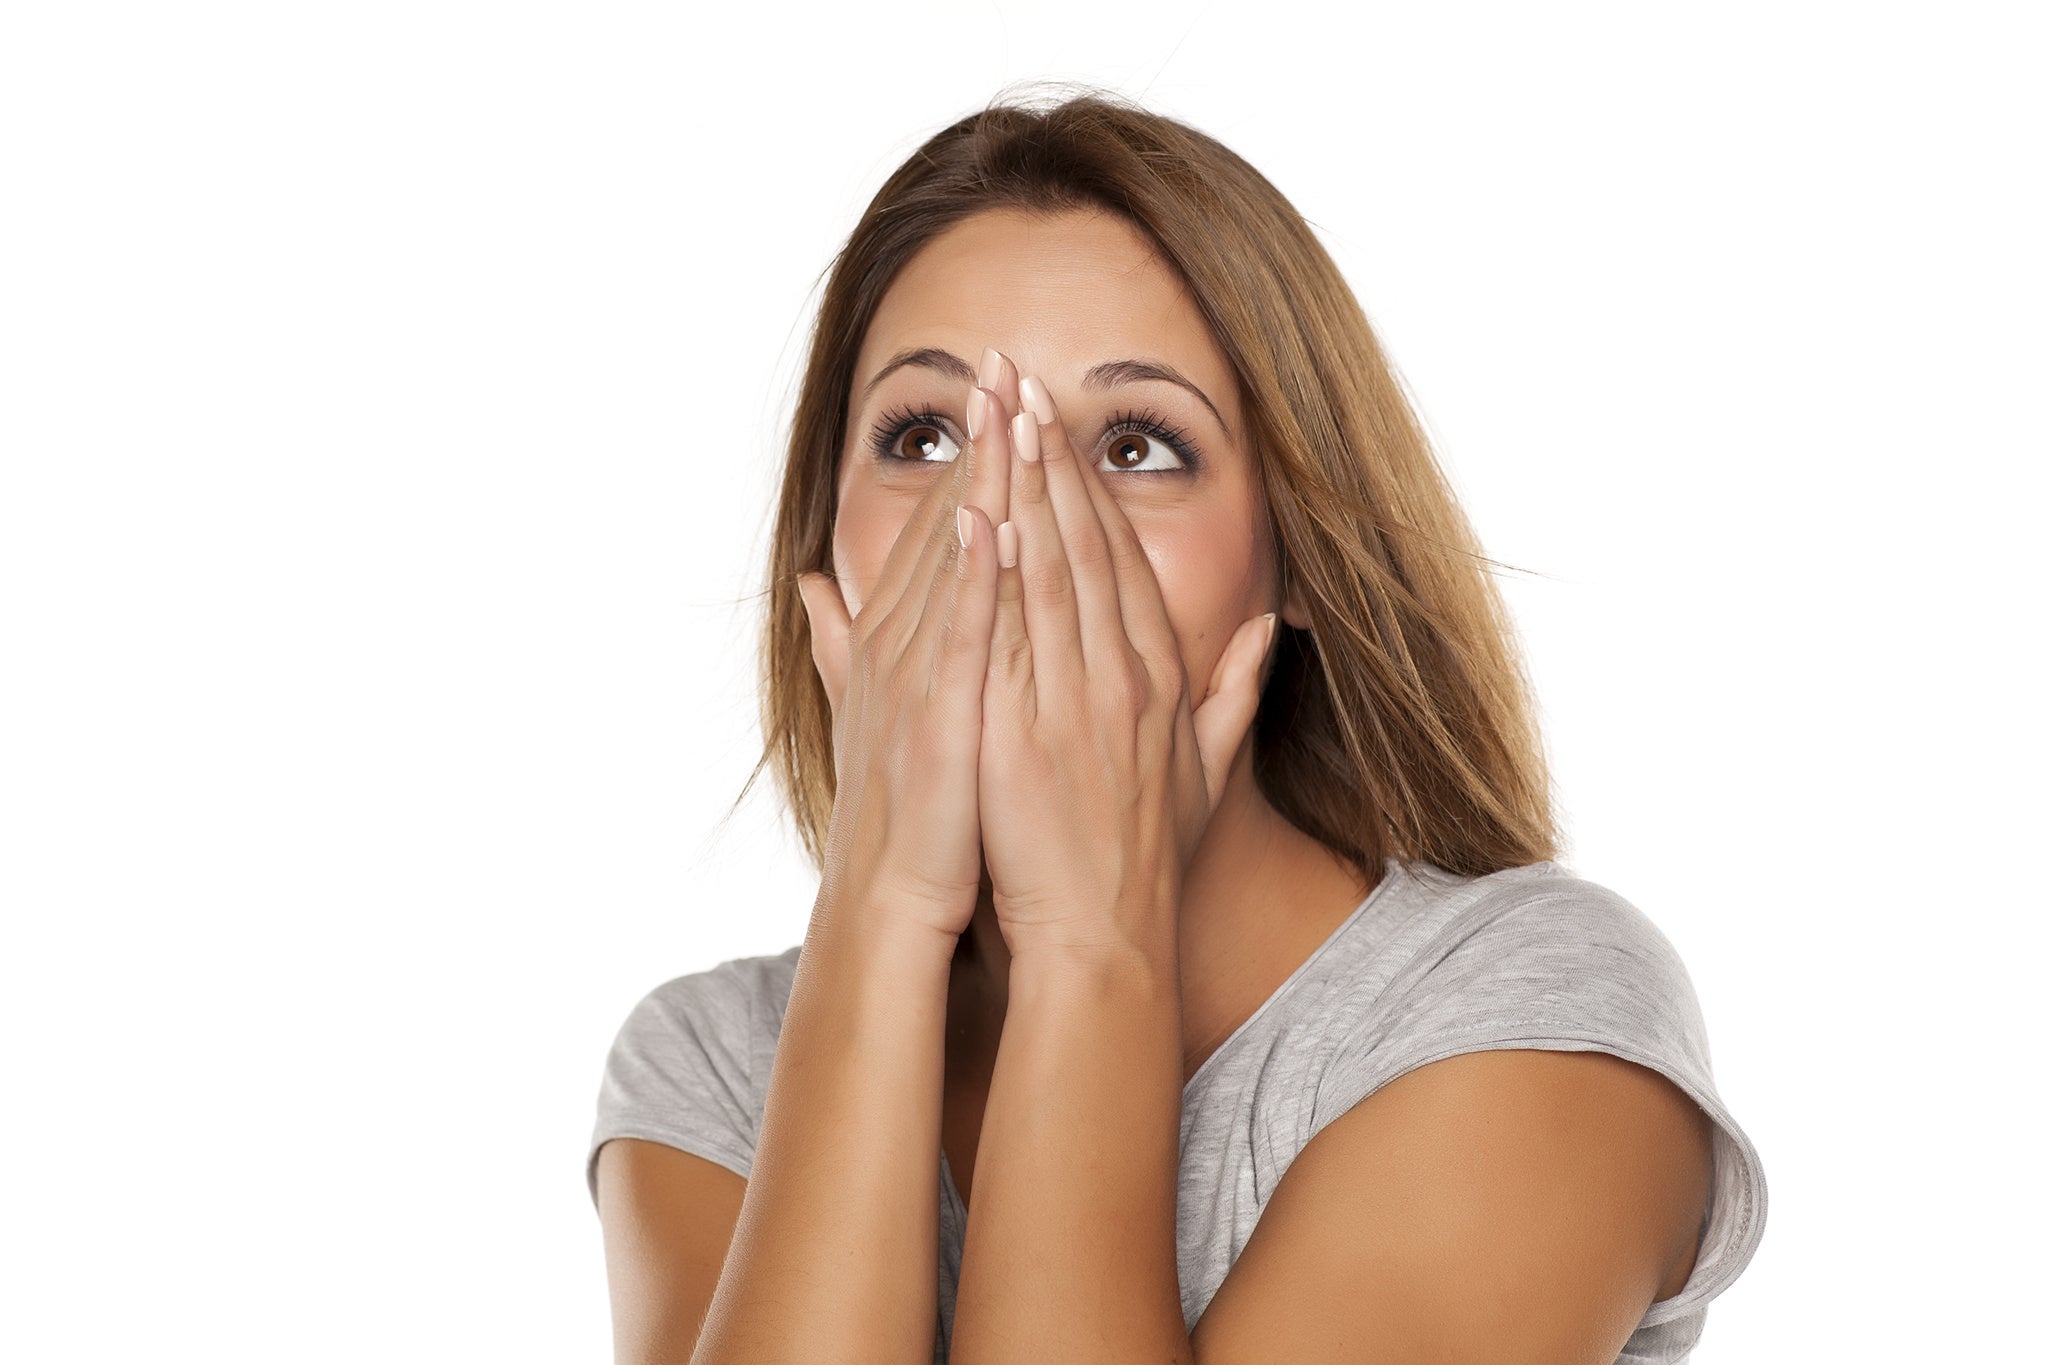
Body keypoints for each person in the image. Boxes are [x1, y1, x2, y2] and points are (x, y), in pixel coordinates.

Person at [586, 87, 1767, 1365]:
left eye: (1136, 447)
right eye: (925, 436)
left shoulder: (1519, 1004)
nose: (1008, 525)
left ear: (1299, 557)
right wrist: (877, 911)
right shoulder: (711, 1068)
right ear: (824, 537)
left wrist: (1090, 946)